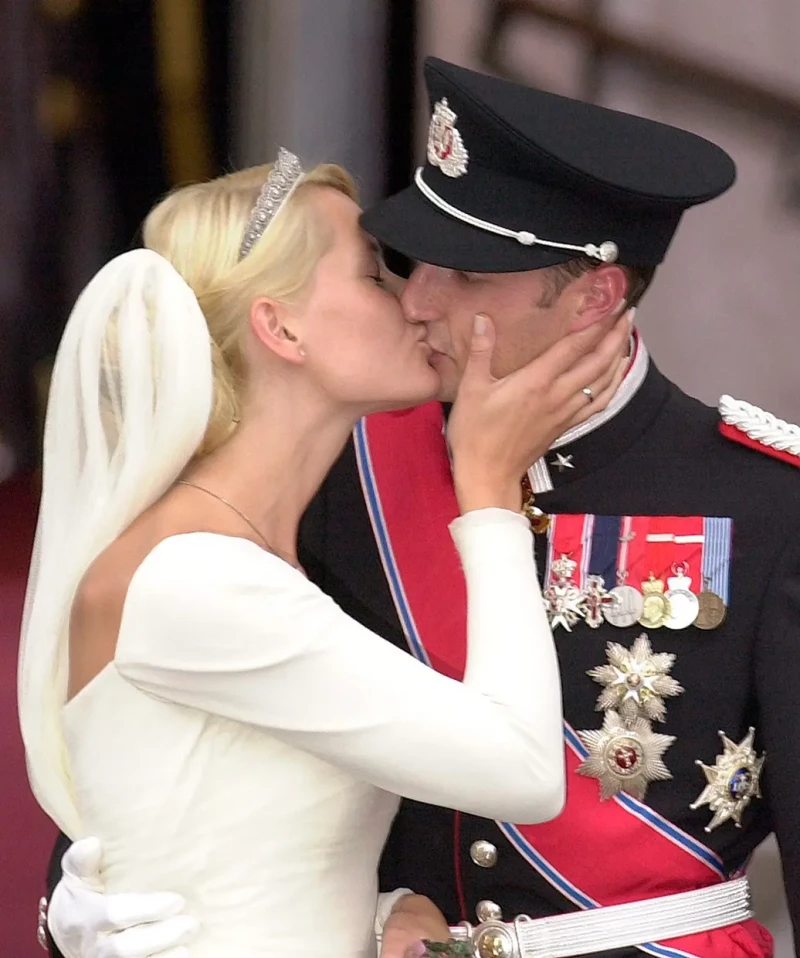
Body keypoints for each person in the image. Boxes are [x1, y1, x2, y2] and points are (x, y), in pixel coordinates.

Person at [41, 58, 800, 958]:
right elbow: (172, 767)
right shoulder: (332, 471)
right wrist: (77, 907)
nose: (417, 296)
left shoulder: (763, 501)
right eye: (408, 263)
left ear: (595, 297)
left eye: (468, 275)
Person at [19, 148, 632, 958]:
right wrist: (488, 488)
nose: (417, 302)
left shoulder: (246, 557)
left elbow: (242, 844)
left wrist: (387, 909)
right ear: (280, 328)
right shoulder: (196, 577)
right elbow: (519, 770)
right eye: (376, 275)